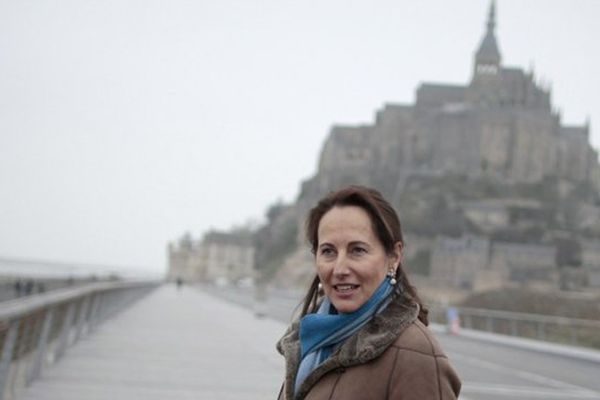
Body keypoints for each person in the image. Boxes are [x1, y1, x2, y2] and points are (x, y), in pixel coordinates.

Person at [276, 186, 461, 400]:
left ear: (394, 256)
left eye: (357, 250)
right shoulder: (309, 343)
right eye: (328, 251)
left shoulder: (416, 356)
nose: (340, 269)